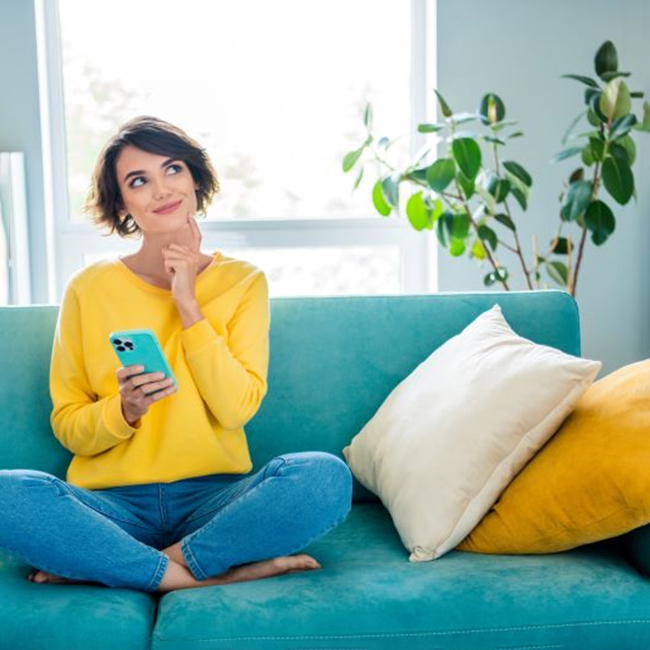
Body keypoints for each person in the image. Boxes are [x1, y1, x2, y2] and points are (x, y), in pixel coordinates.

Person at [0, 116, 353, 593]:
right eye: (138, 180)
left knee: (324, 476)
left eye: (173, 169)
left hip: (214, 504)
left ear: (194, 178)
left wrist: (188, 303)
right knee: (7, 491)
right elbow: (68, 425)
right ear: (122, 202)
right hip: (111, 508)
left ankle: (136, 568)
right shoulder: (89, 289)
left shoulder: (243, 282)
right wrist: (123, 411)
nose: (161, 189)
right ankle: (207, 575)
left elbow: (236, 408)